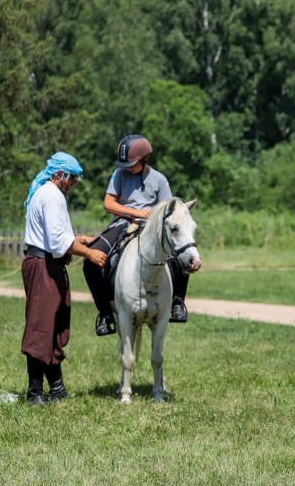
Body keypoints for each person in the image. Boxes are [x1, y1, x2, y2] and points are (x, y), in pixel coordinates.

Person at [21, 152, 108, 405]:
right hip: (44, 266)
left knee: (54, 325)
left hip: (47, 263)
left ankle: (57, 388)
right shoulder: (51, 195)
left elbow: (55, 236)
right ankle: (35, 393)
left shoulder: (48, 193)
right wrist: (89, 253)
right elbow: (59, 242)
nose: (74, 184)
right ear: (60, 175)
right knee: (41, 326)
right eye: (72, 179)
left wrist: (77, 239)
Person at [83, 134, 190, 336]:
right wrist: (135, 213)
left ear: (144, 159)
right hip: (122, 223)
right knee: (90, 262)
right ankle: (105, 313)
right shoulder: (119, 174)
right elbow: (109, 204)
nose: (127, 167)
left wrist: (148, 218)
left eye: (131, 163)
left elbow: (168, 209)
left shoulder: (159, 179)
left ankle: (177, 302)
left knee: (181, 257)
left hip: (153, 228)